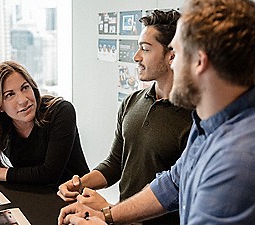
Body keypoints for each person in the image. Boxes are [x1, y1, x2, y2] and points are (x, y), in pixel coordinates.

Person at [58, 0, 255, 224]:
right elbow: (172, 184)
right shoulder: (211, 123)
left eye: (176, 53)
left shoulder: (246, 161)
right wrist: (107, 215)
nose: (172, 62)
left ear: (199, 61)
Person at [57, 10, 192, 225]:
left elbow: (181, 194)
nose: (136, 56)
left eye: (145, 49)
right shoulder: (132, 102)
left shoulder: (196, 119)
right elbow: (115, 163)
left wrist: (108, 210)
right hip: (118, 218)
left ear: (171, 55)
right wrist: (81, 183)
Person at [0, 61, 89, 186]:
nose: (23, 100)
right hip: (33, 194)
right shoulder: (3, 121)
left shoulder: (60, 111)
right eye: (10, 95)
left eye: (25, 88)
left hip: (75, 197)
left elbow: (49, 175)